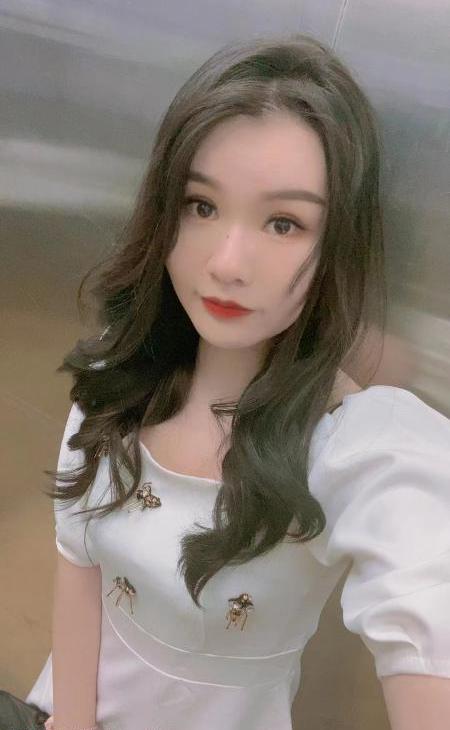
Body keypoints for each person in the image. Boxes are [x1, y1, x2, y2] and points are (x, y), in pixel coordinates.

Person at [22, 33, 450, 730]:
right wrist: (72, 721)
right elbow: (79, 561)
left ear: (336, 244)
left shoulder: (352, 450)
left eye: (284, 223)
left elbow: (426, 605)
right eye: (201, 205)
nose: (226, 262)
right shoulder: (117, 377)